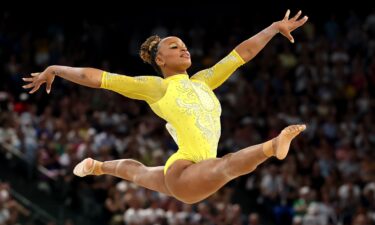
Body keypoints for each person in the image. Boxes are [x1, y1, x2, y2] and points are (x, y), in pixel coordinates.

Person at [23, 10, 308, 204]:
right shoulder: (157, 87)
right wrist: (56, 69)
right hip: (186, 171)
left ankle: (97, 166)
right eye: (174, 47)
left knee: (136, 172)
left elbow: (240, 54)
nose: (183, 49)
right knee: (228, 164)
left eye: (184, 45)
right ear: (160, 60)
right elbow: (98, 78)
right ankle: (273, 146)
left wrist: (272, 28)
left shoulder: (204, 81)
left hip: (193, 172)